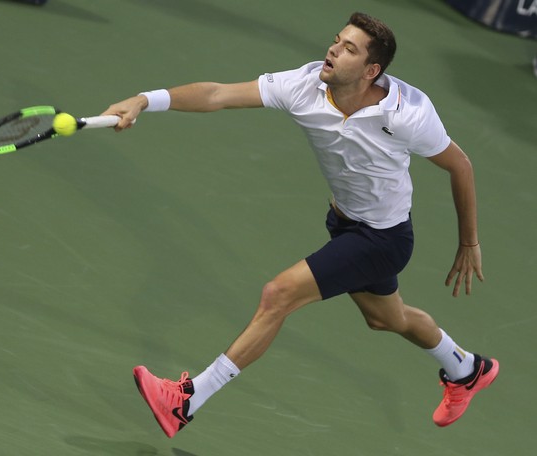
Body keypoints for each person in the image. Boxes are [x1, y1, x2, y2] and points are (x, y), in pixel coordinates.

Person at [102, 12, 499, 438]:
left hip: (382, 238)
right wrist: (145, 99)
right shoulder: (304, 86)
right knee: (387, 318)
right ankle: (466, 368)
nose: (333, 49)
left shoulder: (408, 113)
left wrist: (468, 242)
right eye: (336, 41)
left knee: (279, 294)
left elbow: (459, 165)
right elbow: (218, 94)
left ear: (371, 71)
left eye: (349, 48)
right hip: (343, 223)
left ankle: (186, 400)